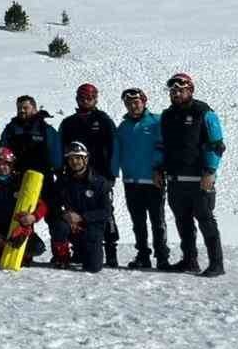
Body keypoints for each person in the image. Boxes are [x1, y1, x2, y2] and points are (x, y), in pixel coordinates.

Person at [158, 72, 225, 276]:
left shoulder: (203, 112)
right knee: (183, 222)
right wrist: (159, 169)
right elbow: (163, 147)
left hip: (199, 179)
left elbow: (216, 145)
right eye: (173, 91)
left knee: (206, 221)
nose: (176, 94)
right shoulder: (167, 116)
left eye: (181, 90)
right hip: (176, 180)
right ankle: (189, 261)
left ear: (190, 90)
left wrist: (210, 172)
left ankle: (217, 264)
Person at [59, 83, 118, 267]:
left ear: (95, 99)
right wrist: (61, 170)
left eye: (89, 98)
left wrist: (112, 174)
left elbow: (114, 146)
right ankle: (79, 250)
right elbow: (61, 147)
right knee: (74, 209)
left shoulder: (103, 120)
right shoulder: (69, 122)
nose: (86, 101)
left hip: (100, 174)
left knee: (106, 213)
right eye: (82, 98)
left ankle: (111, 251)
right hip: (74, 173)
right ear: (77, 99)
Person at [113, 87, 168, 269]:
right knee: (138, 222)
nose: (133, 106)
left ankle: (162, 257)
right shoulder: (123, 127)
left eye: (136, 102)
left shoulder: (156, 121)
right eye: (128, 103)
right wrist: (114, 173)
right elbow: (117, 151)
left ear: (144, 102)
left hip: (153, 180)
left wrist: (159, 169)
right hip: (131, 181)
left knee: (157, 221)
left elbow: (163, 146)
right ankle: (143, 255)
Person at [0, 147, 46, 266]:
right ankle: (0, 252)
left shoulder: (21, 183)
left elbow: (42, 205)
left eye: (6, 164)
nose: (2, 167)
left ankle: (20, 254)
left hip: (18, 229)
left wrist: (33, 217)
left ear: (11, 165)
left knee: (38, 247)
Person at [57, 141, 112, 273]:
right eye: (71, 159)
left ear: (85, 159)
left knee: (93, 267)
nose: (74, 162)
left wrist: (81, 217)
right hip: (71, 225)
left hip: (92, 227)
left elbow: (106, 211)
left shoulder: (100, 183)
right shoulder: (63, 181)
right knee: (59, 226)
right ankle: (63, 257)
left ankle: (82, 251)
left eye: (77, 158)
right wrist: (65, 215)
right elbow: (53, 203)